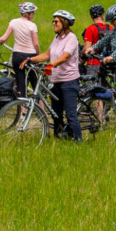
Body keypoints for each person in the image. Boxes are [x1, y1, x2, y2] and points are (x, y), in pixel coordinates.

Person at [26, 10, 82, 141]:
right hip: (55, 81)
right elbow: (47, 55)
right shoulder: (56, 38)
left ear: (65, 23)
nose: (53, 23)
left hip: (69, 81)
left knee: (70, 114)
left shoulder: (71, 38)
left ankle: (79, 141)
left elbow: (66, 56)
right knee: (56, 113)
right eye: (53, 21)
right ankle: (59, 137)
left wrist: (51, 65)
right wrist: (29, 60)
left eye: (56, 21)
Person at [0, 2, 41, 97]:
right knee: (35, 82)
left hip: (17, 56)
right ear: (28, 14)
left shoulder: (13, 22)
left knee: (20, 81)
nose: (33, 15)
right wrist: (38, 54)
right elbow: (36, 44)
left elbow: (4, 38)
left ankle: (22, 110)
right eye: (33, 12)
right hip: (30, 56)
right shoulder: (32, 25)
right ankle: (41, 108)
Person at [82, 4, 111, 72]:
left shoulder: (90, 29)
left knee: (92, 82)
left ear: (91, 16)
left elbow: (87, 48)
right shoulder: (111, 28)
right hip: (107, 62)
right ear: (102, 15)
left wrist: (82, 54)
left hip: (93, 62)